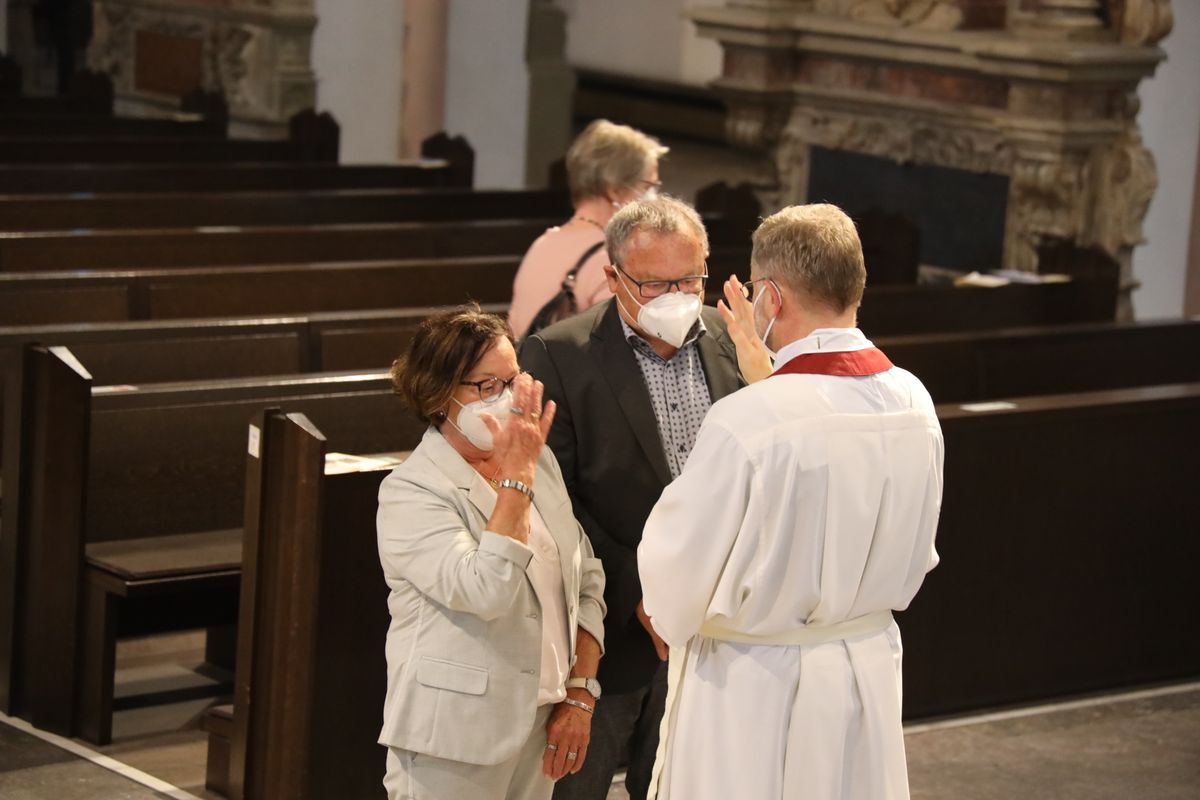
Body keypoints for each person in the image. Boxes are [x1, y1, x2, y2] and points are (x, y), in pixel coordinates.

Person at [638, 204, 945, 800]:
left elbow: (674, 577)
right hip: (865, 667)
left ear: (772, 298)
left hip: (754, 688)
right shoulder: (914, 400)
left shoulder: (749, 419)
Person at [519, 196, 743, 800]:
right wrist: (640, 591)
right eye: (654, 284)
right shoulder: (558, 353)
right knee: (579, 786)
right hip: (613, 626)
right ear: (613, 276)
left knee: (681, 786)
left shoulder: (732, 338)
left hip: (715, 622)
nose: (676, 296)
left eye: (688, 279)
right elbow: (555, 499)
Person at [377, 305, 607, 800]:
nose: (507, 398)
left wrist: (581, 690)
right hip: (456, 737)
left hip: (540, 721)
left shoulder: (538, 460)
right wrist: (516, 478)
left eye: (513, 380)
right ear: (439, 395)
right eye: (486, 386)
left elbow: (585, 575)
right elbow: (486, 590)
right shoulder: (413, 490)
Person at [509, 119, 668, 339]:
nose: (654, 197)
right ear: (615, 191)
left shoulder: (542, 243)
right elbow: (625, 348)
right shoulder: (610, 258)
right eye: (648, 186)